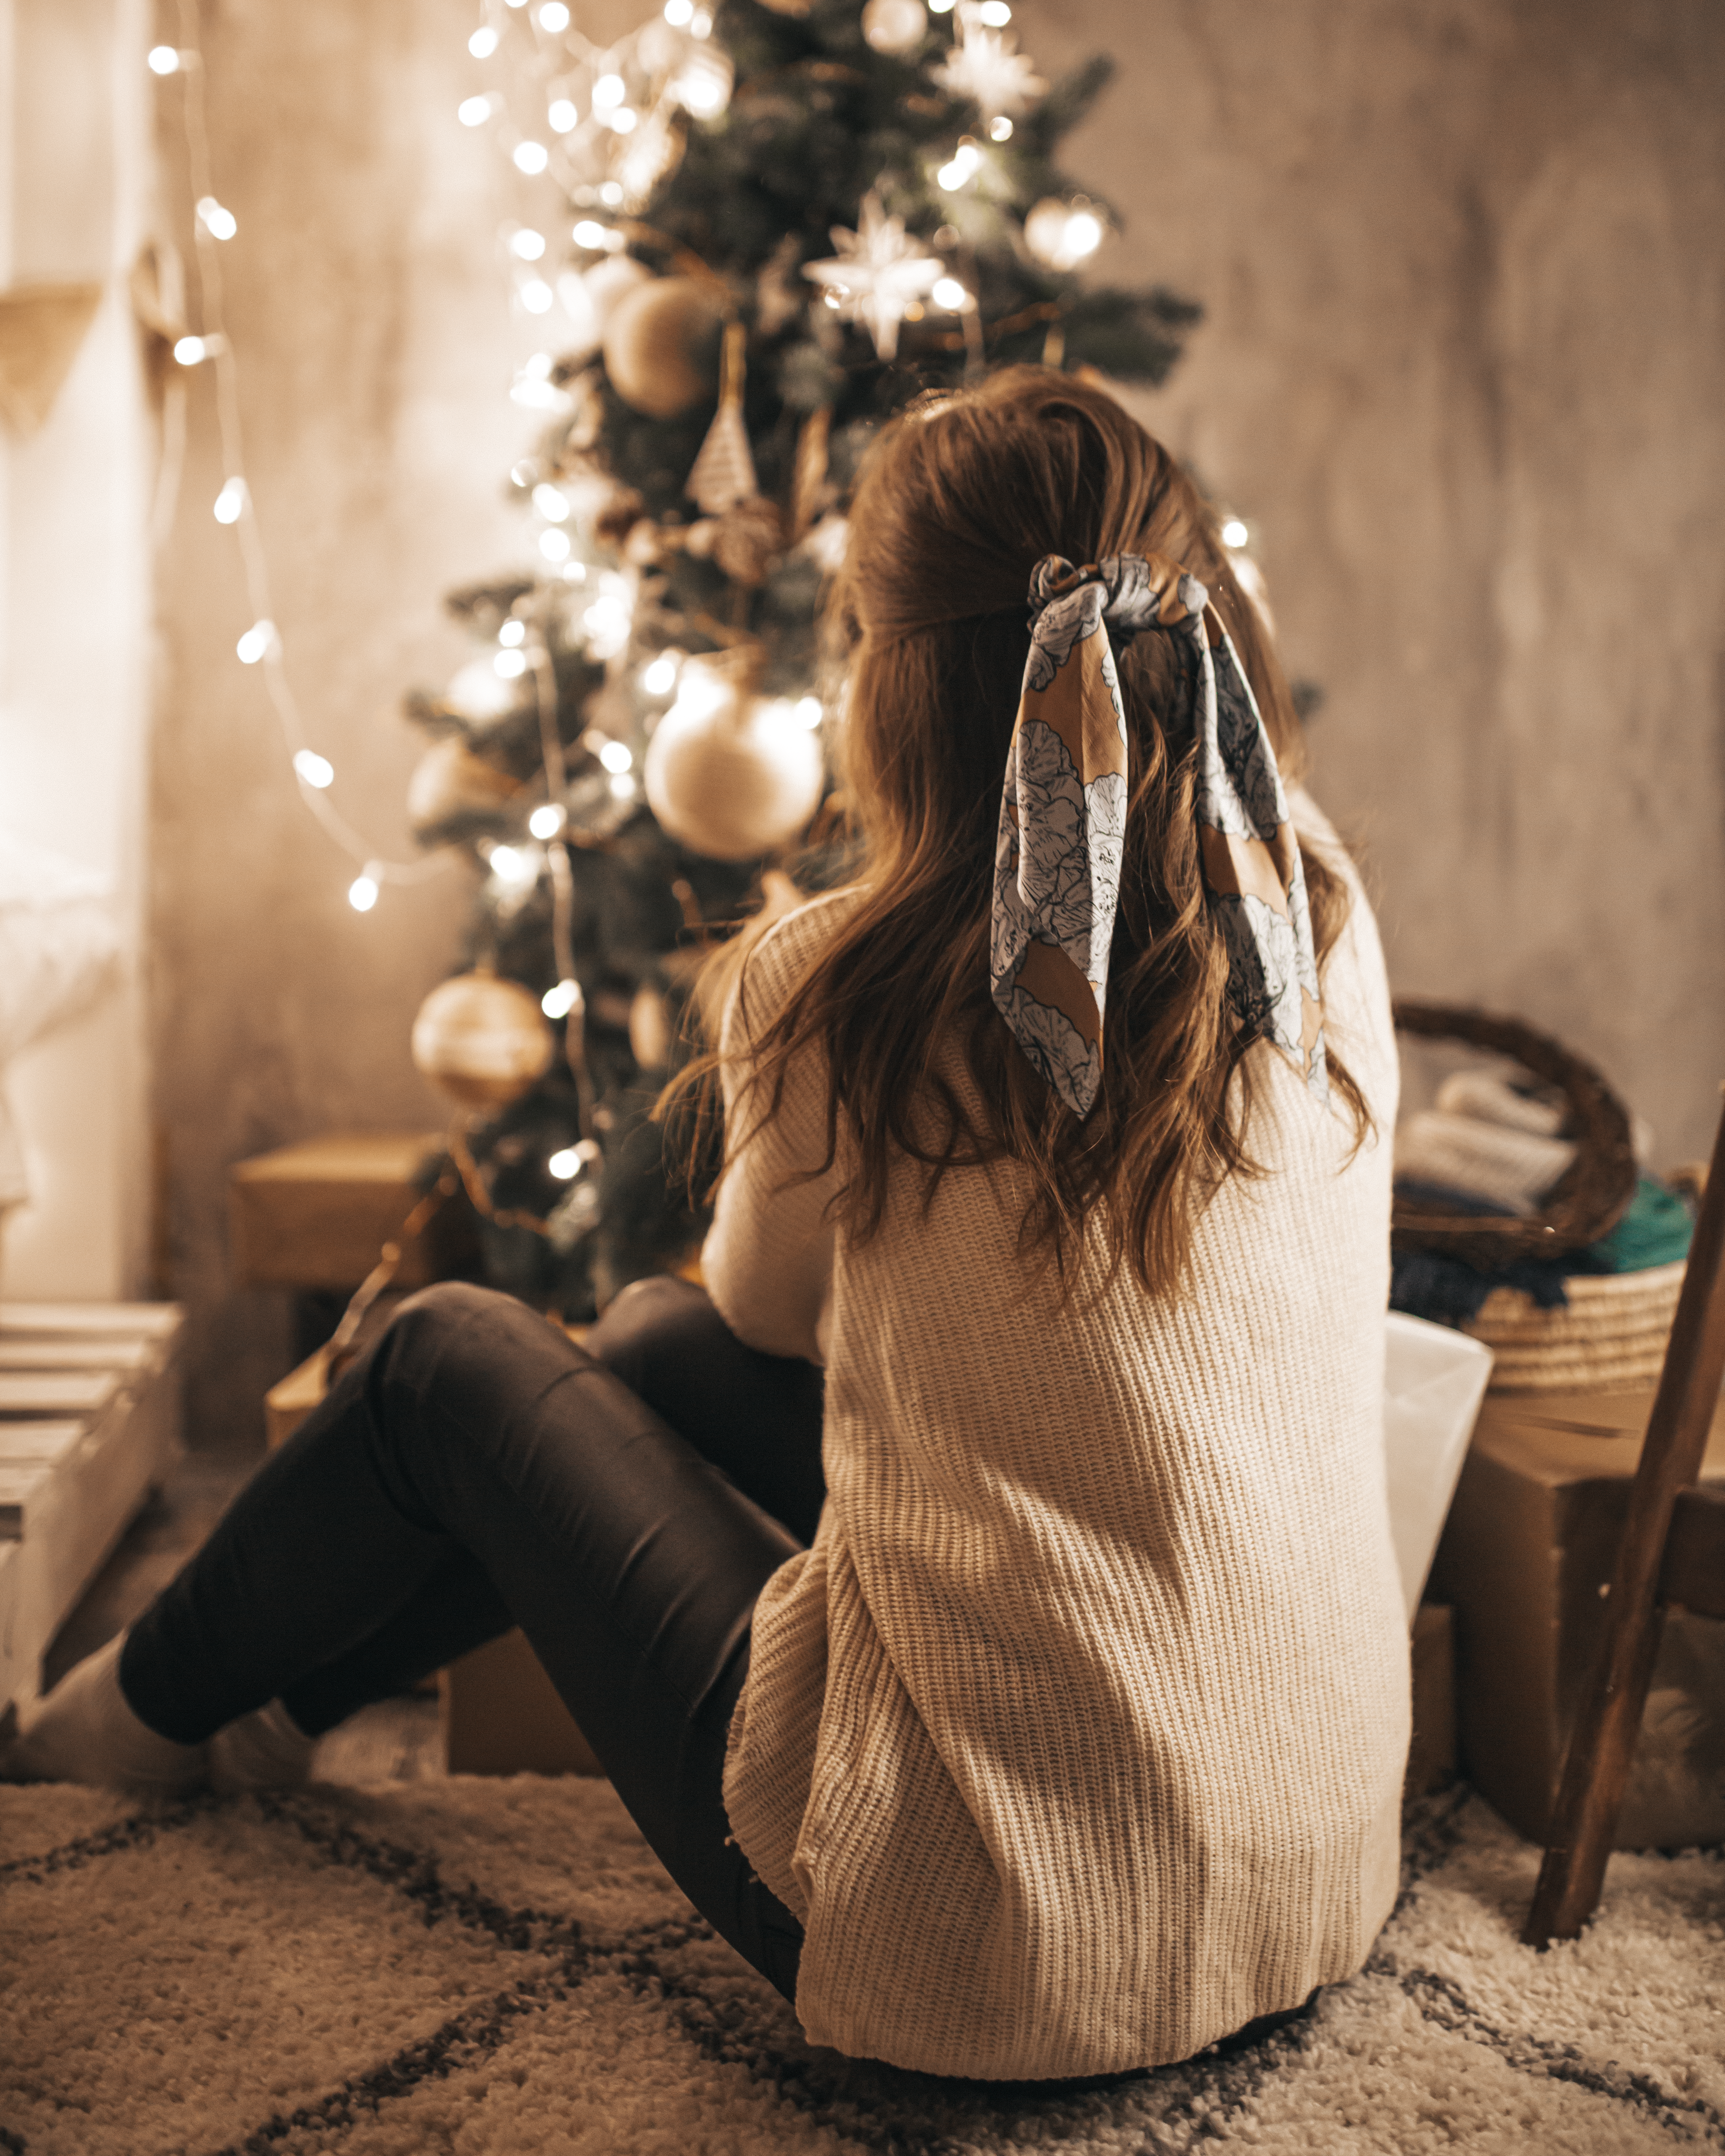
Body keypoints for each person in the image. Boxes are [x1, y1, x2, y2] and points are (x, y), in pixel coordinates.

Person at [2, 369, 1407, 2083]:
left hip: (994, 1944)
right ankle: (282, 1710)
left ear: (897, 691)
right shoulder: (1318, 930)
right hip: (1303, 1866)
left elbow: (762, 1301)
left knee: (448, 1357)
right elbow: (731, 1350)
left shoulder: (850, 986)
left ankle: (120, 1726)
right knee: (645, 1352)